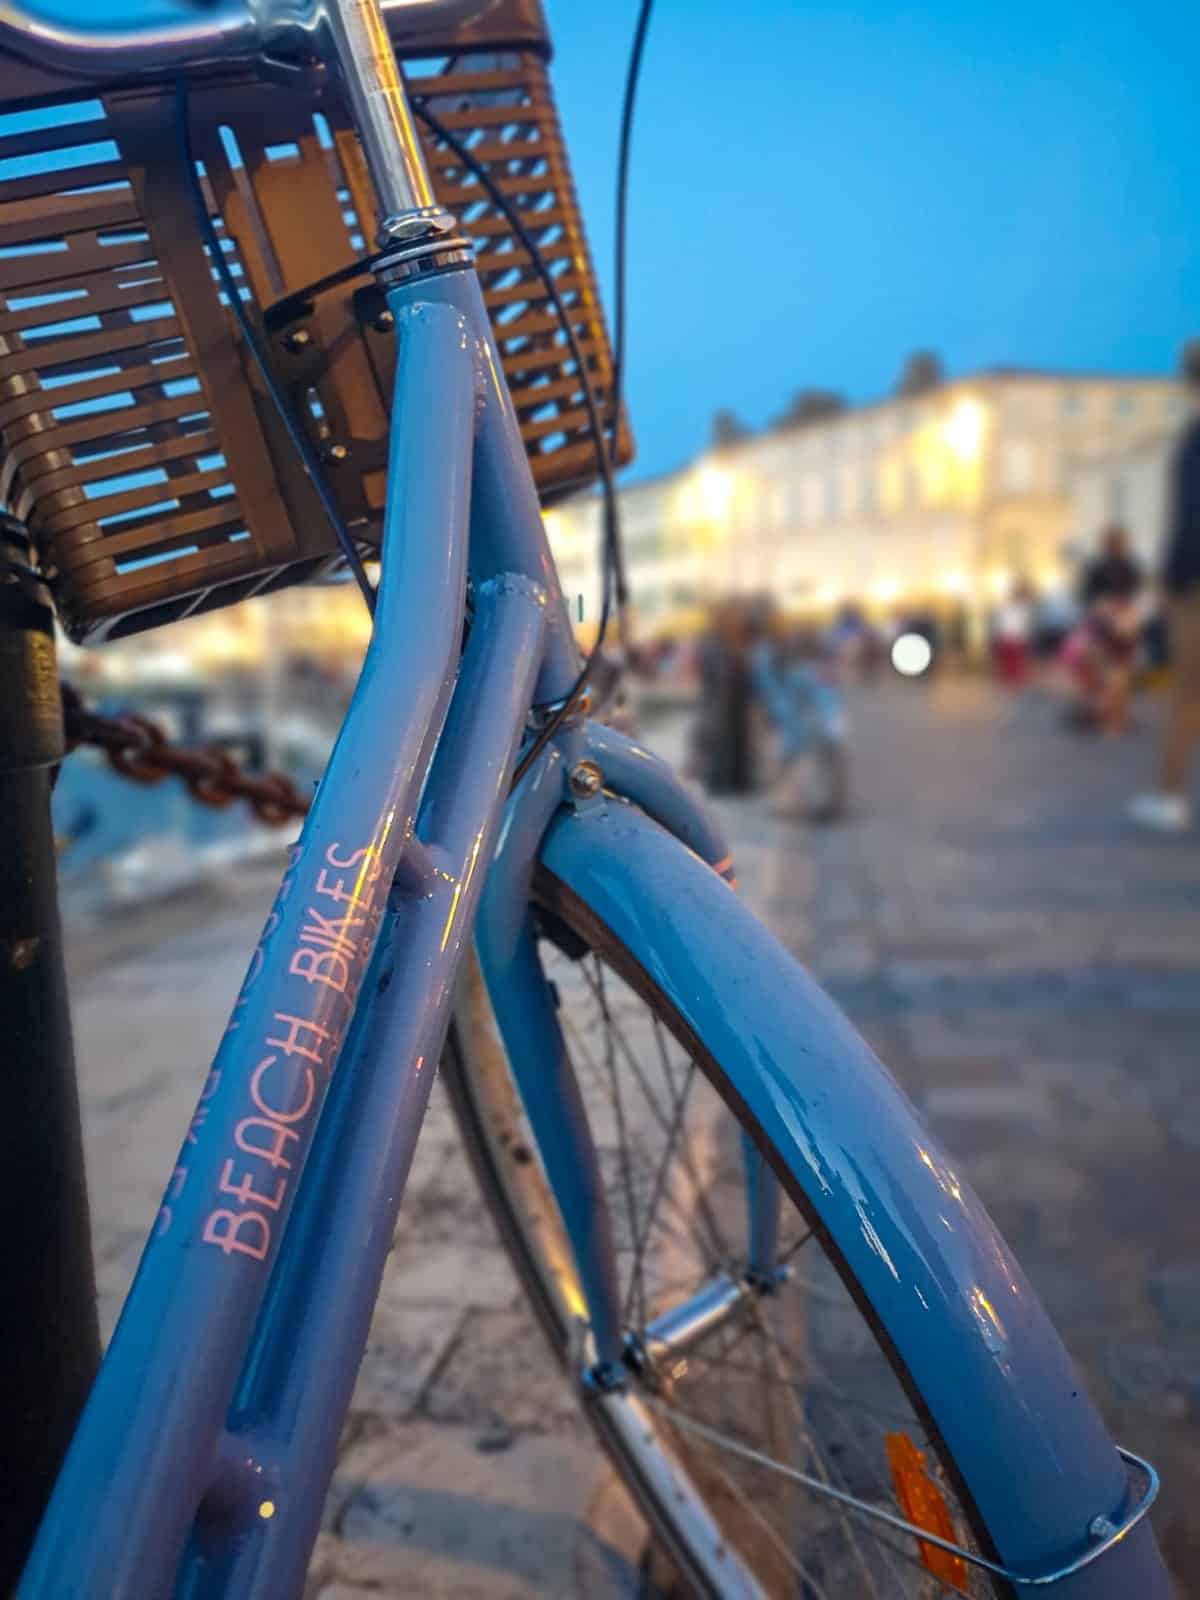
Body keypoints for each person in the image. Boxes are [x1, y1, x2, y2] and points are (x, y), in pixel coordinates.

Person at [1131, 343, 1200, 830]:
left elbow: (1189, 521)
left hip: (1193, 584)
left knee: (1187, 694)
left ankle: (1170, 794)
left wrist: (1170, 582)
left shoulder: (1193, 443)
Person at [1073, 526, 1143, 732]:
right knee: (1108, 670)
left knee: (1117, 671)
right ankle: (1109, 714)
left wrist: (1119, 608)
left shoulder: (1128, 566)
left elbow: (1134, 593)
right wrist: (1106, 606)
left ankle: (1114, 715)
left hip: (1120, 623)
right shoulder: (1099, 567)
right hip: (1106, 623)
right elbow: (1087, 596)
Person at [990, 579, 1036, 688]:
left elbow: (1024, 624)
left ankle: (1014, 680)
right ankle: (1012, 680)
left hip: (1013, 638)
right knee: (1011, 663)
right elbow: (1002, 622)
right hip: (1010, 638)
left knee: (1015, 663)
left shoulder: (1021, 608)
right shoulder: (1011, 607)